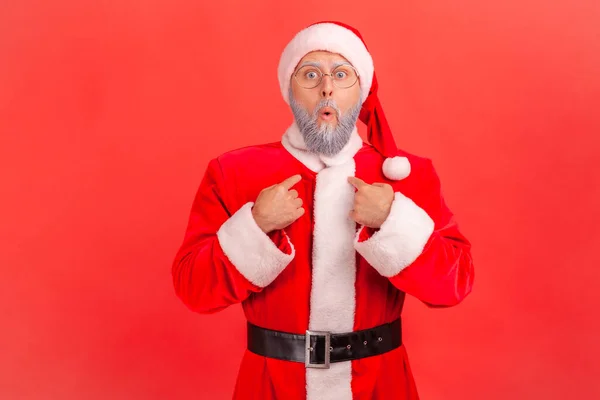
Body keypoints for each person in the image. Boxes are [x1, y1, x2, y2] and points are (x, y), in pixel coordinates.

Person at [171, 21, 474, 400]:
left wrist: (393, 220)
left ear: (360, 90)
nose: (327, 88)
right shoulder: (233, 172)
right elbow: (193, 289)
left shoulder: (406, 174)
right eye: (310, 74)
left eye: (341, 74)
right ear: (289, 89)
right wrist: (255, 224)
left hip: (380, 384)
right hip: (271, 385)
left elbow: (454, 284)